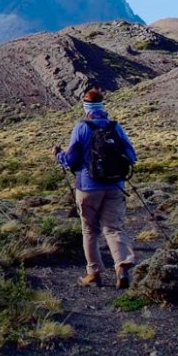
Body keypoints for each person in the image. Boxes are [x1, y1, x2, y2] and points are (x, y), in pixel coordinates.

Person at [53, 88, 137, 289]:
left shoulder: (81, 128)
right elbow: (132, 156)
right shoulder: (115, 127)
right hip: (115, 185)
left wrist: (58, 155)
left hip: (88, 186)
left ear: (86, 107)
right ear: (102, 106)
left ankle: (94, 274)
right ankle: (122, 267)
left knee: (90, 230)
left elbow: (70, 159)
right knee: (113, 228)